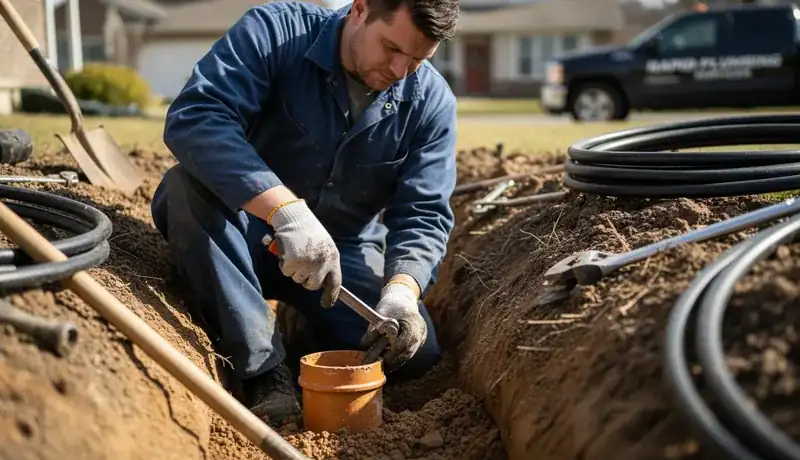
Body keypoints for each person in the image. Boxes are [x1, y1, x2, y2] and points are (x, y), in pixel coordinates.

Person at [150, 0, 459, 425]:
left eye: (419, 59)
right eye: (391, 48)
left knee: (413, 354)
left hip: (343, 253)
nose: (400, 70)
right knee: (183, 188)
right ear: (360, 9)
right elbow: (198, 117)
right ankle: (263, 370)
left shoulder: (430, 100)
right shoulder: (277, 32)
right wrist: (285, 211)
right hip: (238, 230)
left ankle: (307, 331)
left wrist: (402, 291)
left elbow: (423, 211)